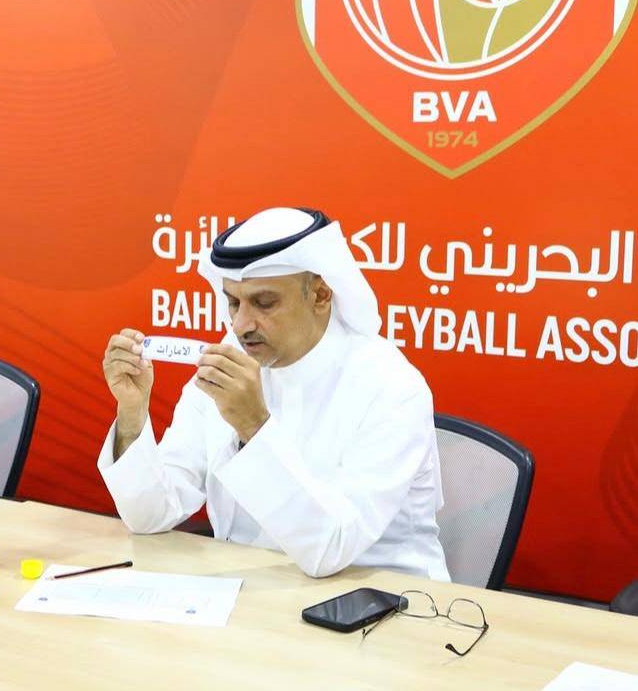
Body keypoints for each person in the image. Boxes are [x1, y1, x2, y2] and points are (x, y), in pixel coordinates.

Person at [99, 207, 450, 580]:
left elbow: (331, 549)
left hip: (382, 598)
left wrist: (253, 426)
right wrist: (132, 414)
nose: (240, 324)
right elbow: (151, 515)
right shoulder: (231, 363)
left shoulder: (392, 388)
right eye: (233, 302)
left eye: (264, 303)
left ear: (320, 295)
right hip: (253, 590)